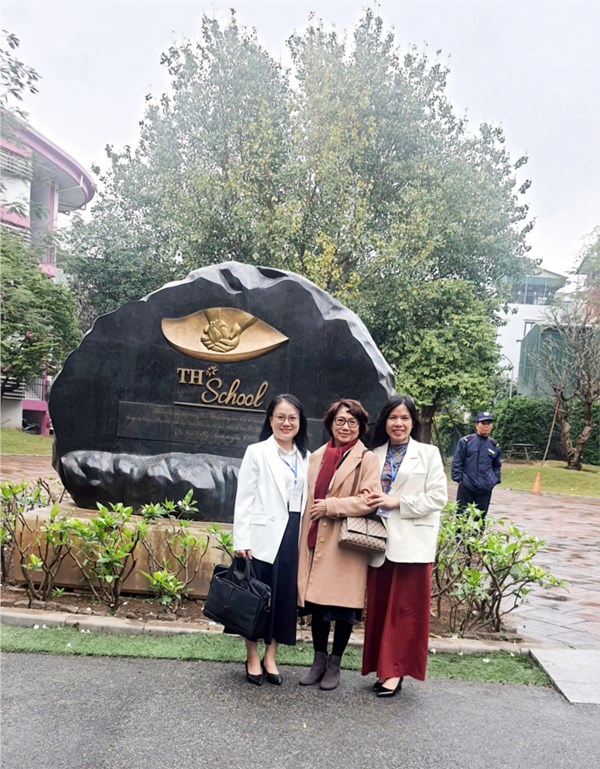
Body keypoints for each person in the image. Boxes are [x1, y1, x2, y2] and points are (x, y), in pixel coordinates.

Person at [362, 394, 448, 698]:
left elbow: (438, 498)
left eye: (404, 418)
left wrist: (397, 501)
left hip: (413, 544)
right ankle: (382, 667)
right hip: (378, 542)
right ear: (384, 421)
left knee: (405, 611)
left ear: (413, 422)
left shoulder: (428, 454)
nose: (398, 423)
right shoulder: (373, 454)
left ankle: (395, 671)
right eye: (392, 417)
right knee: (380, 609)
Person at [297, 398, 380, 691]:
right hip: (316, 541)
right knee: (319, 607)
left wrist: (331, 506)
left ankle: (335, 665)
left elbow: (370, 499)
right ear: (331, 424)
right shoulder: (317, 456)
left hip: (345, 544)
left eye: (352, 422)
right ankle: (318, 662)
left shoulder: (366, 458)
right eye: (340, 421)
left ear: (361, 426)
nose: (346, 427)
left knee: (343, 609)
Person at [232, 393, 310, 686]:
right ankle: (252, 656)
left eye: (292, 418)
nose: (286, 423)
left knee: (282, 599)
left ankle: (270, 657)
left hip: (292, 535)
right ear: (270, 420)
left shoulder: (306, 457)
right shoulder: (257, 452)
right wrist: (241, 539)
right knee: (255, 599)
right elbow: (244, 498)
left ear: (300, 422)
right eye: (280, 417)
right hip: (261, 537)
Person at [451, 410, 502, 526]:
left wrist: (493, 481)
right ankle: (458, 538)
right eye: (483, 423)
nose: (486, 426)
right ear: (476, 425)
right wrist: (459, 480)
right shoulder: (466, 442)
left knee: (480, 520)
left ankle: (476, 538)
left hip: (485, 488)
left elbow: (497, 465)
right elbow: (457, 462)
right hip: (466, 487)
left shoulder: (494, 445)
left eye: (488, 423)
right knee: (461, 517)